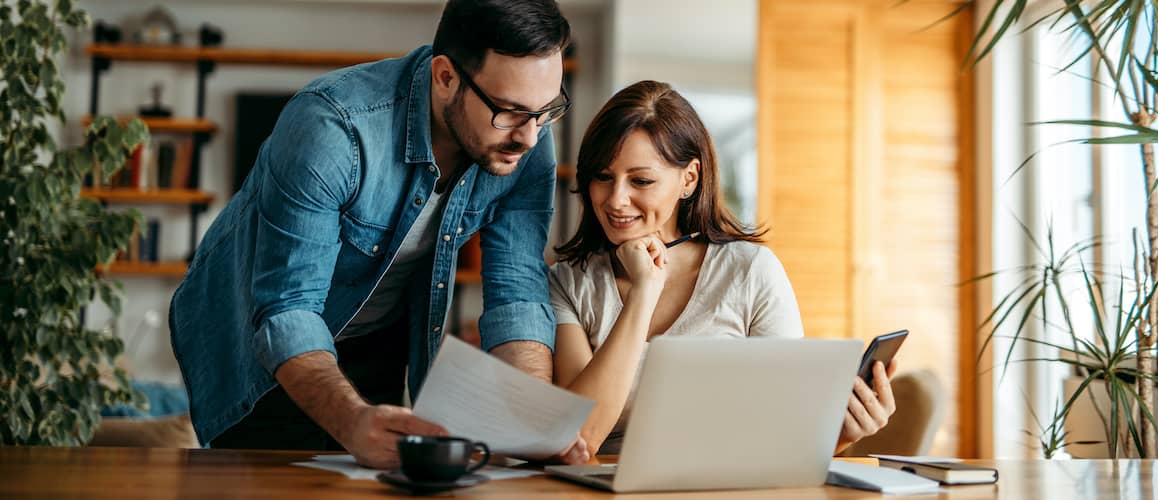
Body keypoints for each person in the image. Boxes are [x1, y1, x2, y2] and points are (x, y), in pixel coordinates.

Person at [169, 0, 589, 468]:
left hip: (379, 336)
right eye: (509, 112)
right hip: (261, 342)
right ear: (446, 76)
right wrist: (349, 420)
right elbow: (289, 309)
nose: (530, 137)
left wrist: (529, 420)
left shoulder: (526, 133)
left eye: (546, 110)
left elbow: (518, 294)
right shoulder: (332, 128)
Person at [548, 80, 898, 456]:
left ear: (689, 179)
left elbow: (787, 434)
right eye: (603, 177)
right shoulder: (568, 283)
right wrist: (644, 293)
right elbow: (580, 438)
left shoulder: (751, 273)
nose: (616, 199)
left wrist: (843, 435)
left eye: (641, 180)